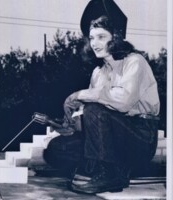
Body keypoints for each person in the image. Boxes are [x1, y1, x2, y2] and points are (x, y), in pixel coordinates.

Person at [44, 0, 160, 194]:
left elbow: (122, 102)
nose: (94, 44)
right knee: (56, 149)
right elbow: (93, 122)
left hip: (140, 137)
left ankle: (109, 174)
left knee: (94, 109)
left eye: (100, 37)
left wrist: (80, 95)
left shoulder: (135, 62)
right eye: (91, 38)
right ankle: (112, 168)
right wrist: (70, 125)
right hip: (111, 140)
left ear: (115, 37)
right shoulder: (98, 72)